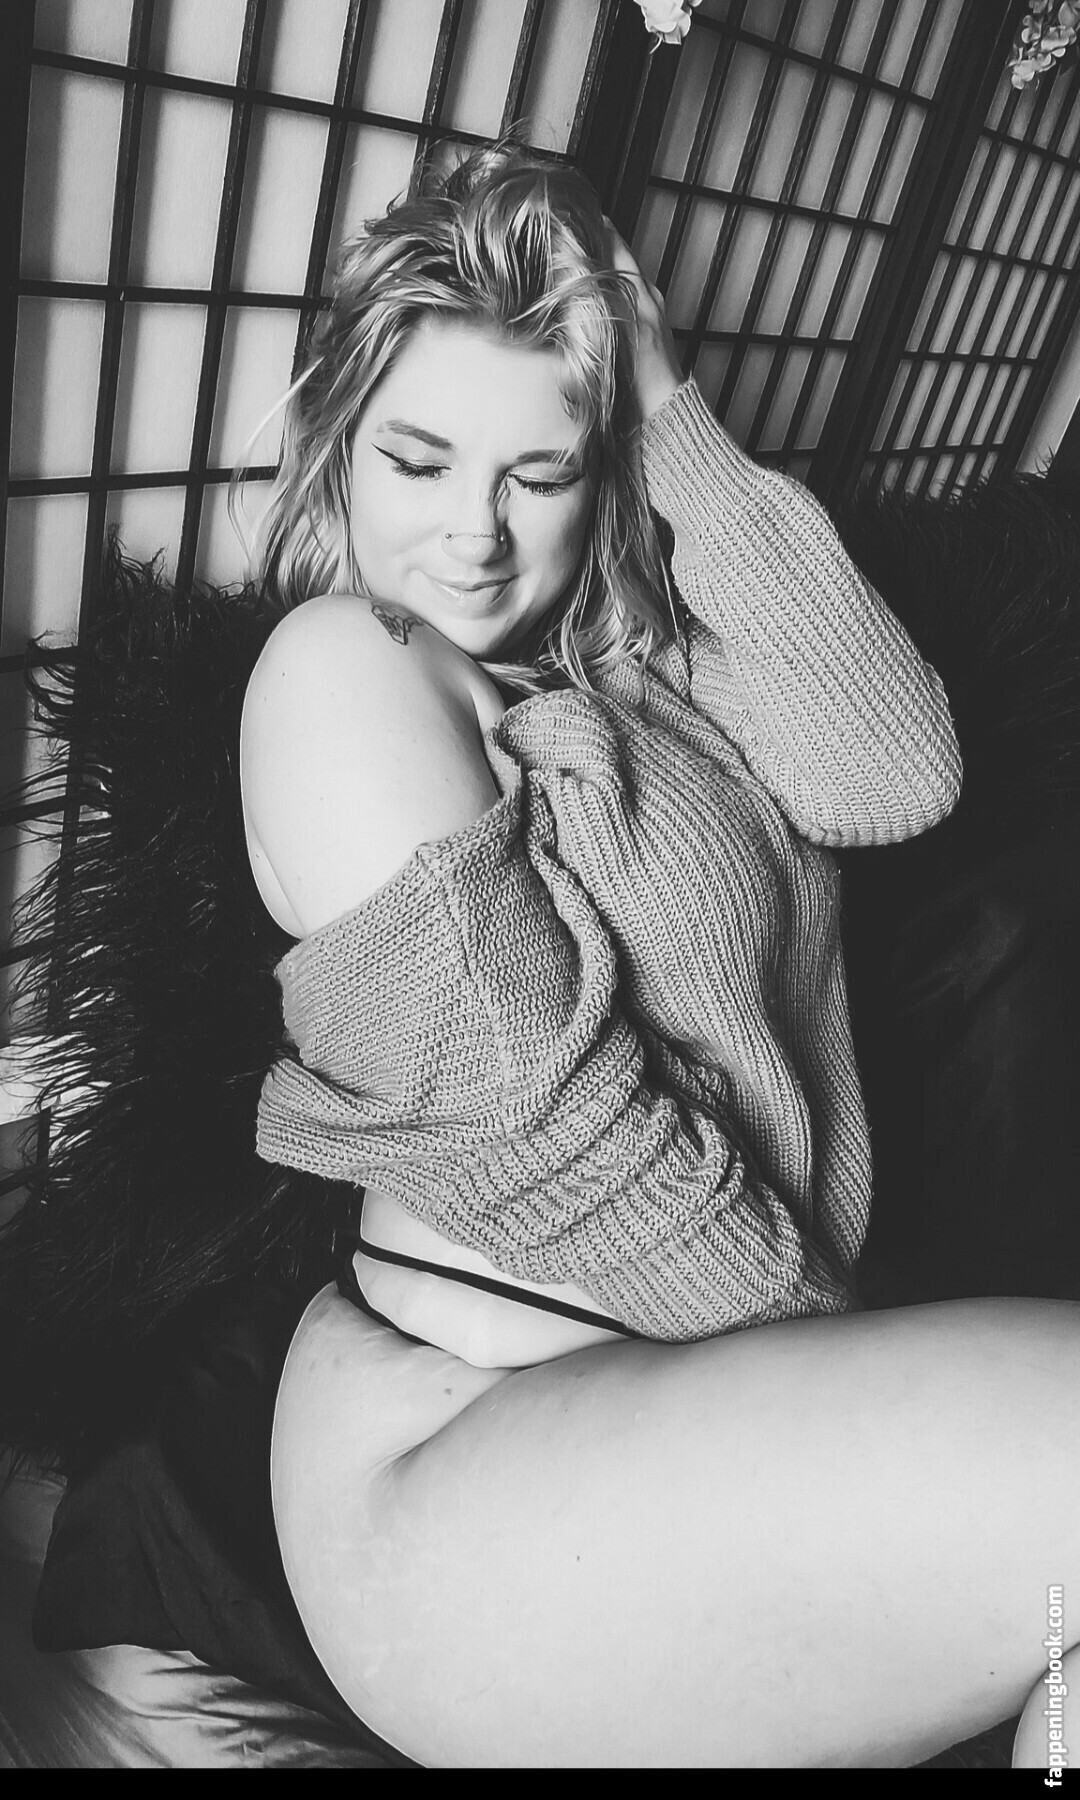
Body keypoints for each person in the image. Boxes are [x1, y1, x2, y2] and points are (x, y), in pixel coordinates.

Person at [239, 141, 1077, 1768]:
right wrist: (842, 1365)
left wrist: (668, 398)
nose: (473, 536)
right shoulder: (343, 669)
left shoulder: (646, 675)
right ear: (341, 447)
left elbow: (900, 772)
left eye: (536, 474)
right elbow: (547, 1137)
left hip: (687, 1402)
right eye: (418, 459)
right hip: (464, 1450)